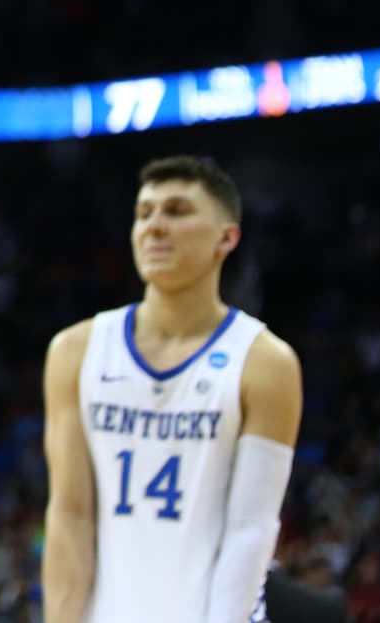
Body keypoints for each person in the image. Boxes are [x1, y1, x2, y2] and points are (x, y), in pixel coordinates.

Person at [40, 154, 302, 623]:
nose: (154, 227)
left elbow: (250, 530)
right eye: (145, 213)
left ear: (227, 237)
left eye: (177, 211)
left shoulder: (265, 363)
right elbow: (70, 515)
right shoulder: (75, 351)